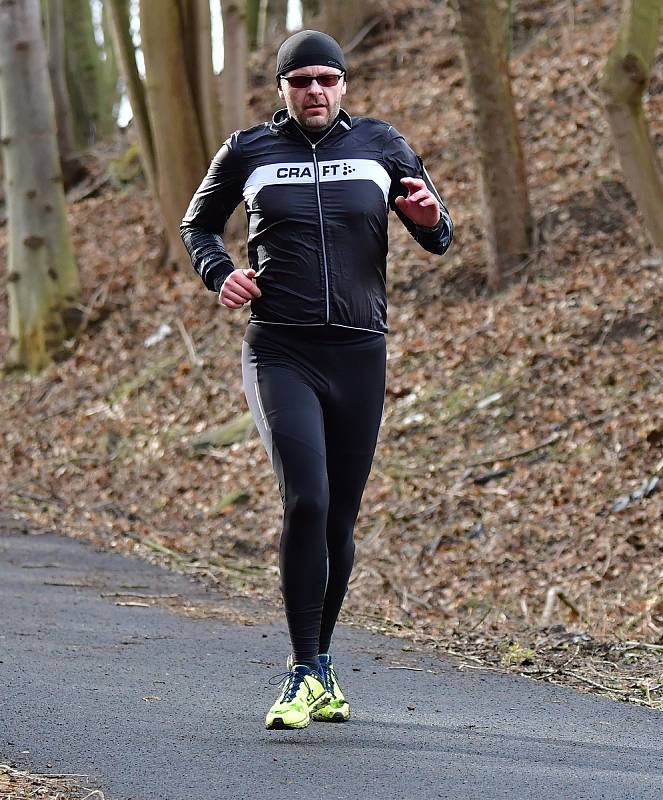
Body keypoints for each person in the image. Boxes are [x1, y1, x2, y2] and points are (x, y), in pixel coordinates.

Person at [181, 29, 453, 730]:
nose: (314, 91)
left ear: (343, 86)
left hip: (360, 352)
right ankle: (301, 670)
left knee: (338, 519)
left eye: (326, 80)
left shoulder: (381, 145)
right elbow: (198, 226)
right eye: (300, 80)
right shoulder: (248, 152)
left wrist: (429, 221)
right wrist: (222, 273)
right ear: (280, 88)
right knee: (305, 499)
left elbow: (436, 226)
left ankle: (322, 666)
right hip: (280, 350)